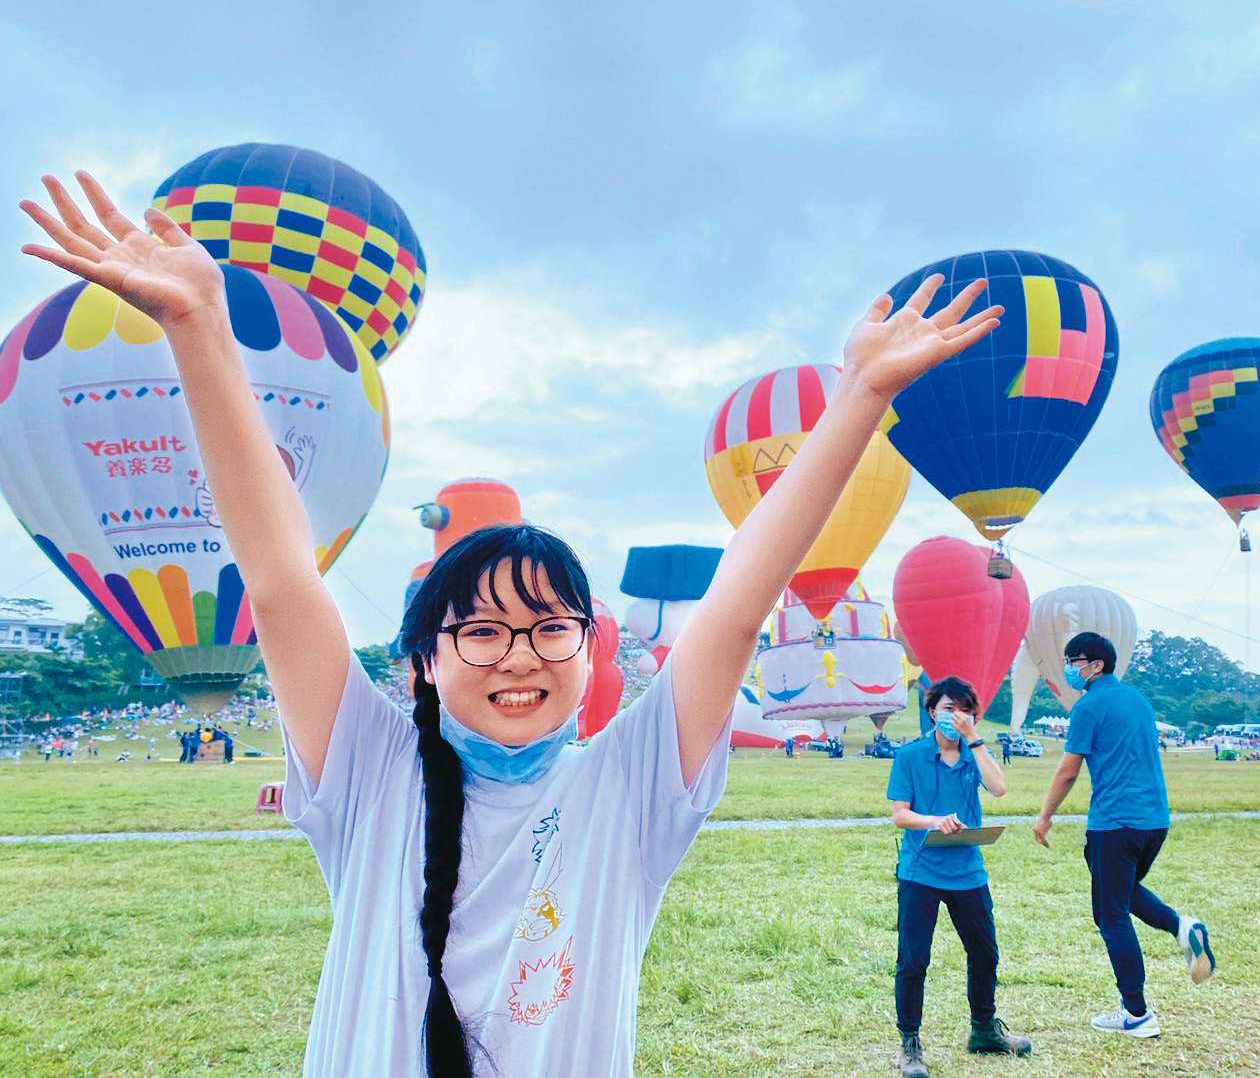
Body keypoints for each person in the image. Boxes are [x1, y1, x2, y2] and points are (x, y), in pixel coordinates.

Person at [20, 170, 1003, 1078]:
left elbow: (737, 607)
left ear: (590, 645)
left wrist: (859, 396)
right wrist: (199, 327)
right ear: (424, 662)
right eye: (480, 631)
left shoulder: (628, 786)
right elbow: (280, 582)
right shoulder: (369, 768)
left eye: (548, 627)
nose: (518, 655)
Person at [1033, 633, 1214, 1039]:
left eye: (1073, 660)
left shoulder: (1088, 706)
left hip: (1114, 823)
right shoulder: (1139, 700)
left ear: (1097, 665)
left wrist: (1045, 816)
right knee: (1123, 892)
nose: (1069, 668)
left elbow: (1068, 771)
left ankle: (1136, 1012)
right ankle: (1182, 928)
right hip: (1154, 821)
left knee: (1110, 915)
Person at [887, 675, 1031, 1075]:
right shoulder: (911, 756)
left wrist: (976, 741)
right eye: (948, 709)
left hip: (968, 870)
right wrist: (934, 821)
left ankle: (984, 1030)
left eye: (965, 710)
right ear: (932, 711)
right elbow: (900, 814)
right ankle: (910, 1044)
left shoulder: (974, 753)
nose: (956, 717)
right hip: (921, 871)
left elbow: (999, 789)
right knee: (913, 960)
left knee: (985, 953)